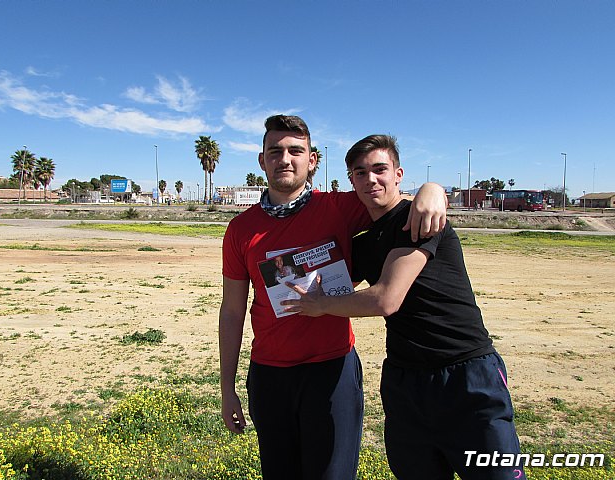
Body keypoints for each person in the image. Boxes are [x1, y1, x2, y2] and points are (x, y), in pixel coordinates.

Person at [282, 134, 525, 480]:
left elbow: (386, 299)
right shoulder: (364, 244)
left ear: (398, 175)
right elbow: (325, 276)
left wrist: (432, 189)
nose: (371, 179)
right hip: (405, 381)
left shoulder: (420, 219)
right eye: (360, 173)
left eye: (379, 169)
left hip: (465, 373)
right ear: (352, 181)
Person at [219, 116, 448, 480]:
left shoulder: (340, 207)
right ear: (262, 160)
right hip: (269, 375)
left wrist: (433, 190)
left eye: (296, 150)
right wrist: (227, 387)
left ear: (312, 160)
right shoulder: (240, 230)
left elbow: (391, 198)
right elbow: (232, 311)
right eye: (275, 151)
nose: (285, 159)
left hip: (332, 371)